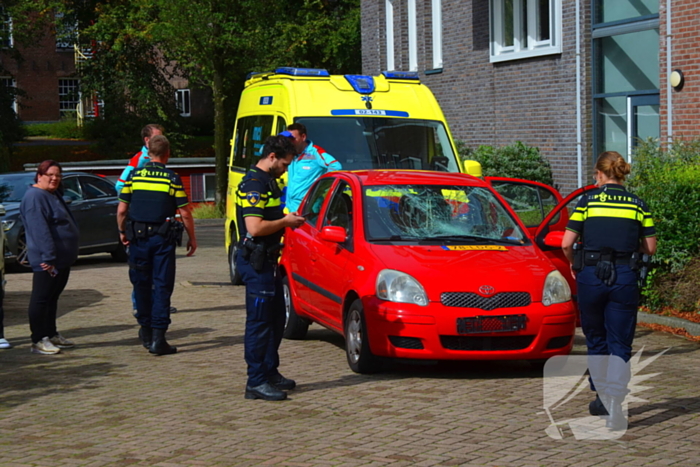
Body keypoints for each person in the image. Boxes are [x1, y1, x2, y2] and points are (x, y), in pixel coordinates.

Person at [561, 151, 657, 431]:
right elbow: (650, 248)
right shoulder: (638, 204)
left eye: (595, 175)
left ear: (600, 175)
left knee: (596, 338)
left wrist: (573, 266)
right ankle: (615, 403)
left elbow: (567, 243)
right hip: (625, 277)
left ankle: (602, 397)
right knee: (620, 342)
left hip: (591, 275)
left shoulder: (588, 201)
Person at [236, 134, 305, 401]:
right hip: (257, 262)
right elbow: (255, 227)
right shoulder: (254, 184)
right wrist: (286, 222)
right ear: (272, 157)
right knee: (260, 323)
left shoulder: (269, 182)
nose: (285, 170)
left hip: (268, 260)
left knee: (276, 319)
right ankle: (256, 381)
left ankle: (269, 371)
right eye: (285, 165)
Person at [116, 135, 197, 356]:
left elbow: (122, 210)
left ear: (148, 152)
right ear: (167, 154)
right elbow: (185, 213)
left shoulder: (133, 176)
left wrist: (123, 232)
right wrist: (192, 238)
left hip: (138, 239)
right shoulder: (172, 179)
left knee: (141, 284)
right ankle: (159, 339)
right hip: (162, 240)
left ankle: (145, 331)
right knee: (162, 286)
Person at [115, 124, 177, 315]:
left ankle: (152, 304)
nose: (163, 141)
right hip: (143, 224)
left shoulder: (151, 159)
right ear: (147, 141)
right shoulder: (140, 159)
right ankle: (140, 305)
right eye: (158, 137)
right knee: (143, 270)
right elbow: (120, 184)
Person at [20, 160, 79, 355]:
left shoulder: (52, 194)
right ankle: (38, 339)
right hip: (47, 260)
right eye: (50, 175)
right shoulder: (35, 196)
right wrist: (48, 256)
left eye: (58, 175)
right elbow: (39, 229)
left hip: (61, 259)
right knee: (41, 298)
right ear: (39, 176)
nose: (55, 179)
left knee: (53, 297)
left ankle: (51, 333)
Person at [284, 123, 341, 214]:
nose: (290, 142)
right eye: (288, 139)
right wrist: (280, 141)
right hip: (290, 207)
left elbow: (336, 167)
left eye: (293, 139)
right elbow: (263, 151)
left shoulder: (314, 152)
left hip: (307, 208)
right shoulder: (289, 152)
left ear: (303, 137)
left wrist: (320, 186)